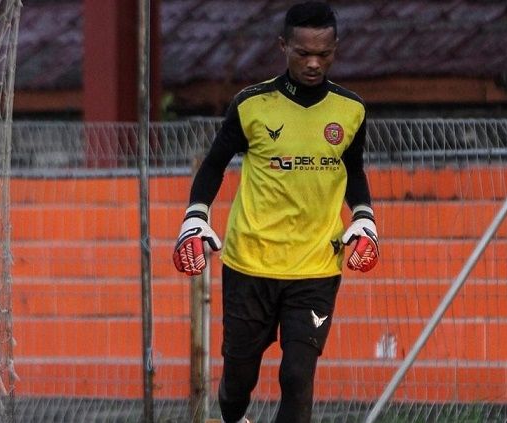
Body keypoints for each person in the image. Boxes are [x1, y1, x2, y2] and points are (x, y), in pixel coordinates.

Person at [172, 2, 379, 422]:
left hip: (316, 267)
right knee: (237, 382)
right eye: (303, 53)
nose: (314, 63)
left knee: (298, 374)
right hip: (250, 263)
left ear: (336, 47)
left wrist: (364, 218)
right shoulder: (251, 105)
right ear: (283, 46)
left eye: (325, 53)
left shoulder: (351, 110)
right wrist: (195, 217)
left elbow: (353, 171)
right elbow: (213, 164)